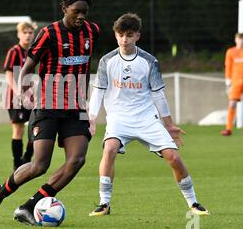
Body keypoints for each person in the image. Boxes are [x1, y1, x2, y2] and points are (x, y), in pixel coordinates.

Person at [0, 0, 99, 225]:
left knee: (77, 160)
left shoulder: (92, 31)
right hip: (47, 106)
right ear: (65, 8)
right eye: (77, 11)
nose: (81, 16)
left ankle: (30, 205)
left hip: (75, 109)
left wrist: (87, 106)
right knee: (39, 165)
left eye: (85, 12)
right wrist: (25, 89)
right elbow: (27, 67)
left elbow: (85, 70)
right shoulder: (49, 33)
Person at [88, 13, 209, 217]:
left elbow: (158, 94)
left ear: (137, 36)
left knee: (174, 158)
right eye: (120, 35)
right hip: (119, 118)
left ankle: (193, 202)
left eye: (129, 35)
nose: (124, 40)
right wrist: (91, 119)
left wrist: (169, 125)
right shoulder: (106, 61)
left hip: (146, 118)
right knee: (109, 149)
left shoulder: (149, 61)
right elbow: (98, 91)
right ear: (115, 35)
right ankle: (104, 203)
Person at [3, 21, 37, 170]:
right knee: (18, 130)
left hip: (30, 97)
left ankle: (27, 158)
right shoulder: (14, 52)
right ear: (19, 34)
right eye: (25, 33)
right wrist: (18, 93)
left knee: (35, 128)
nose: (28, 35)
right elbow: (9, 75)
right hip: (15, 98)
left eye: (30, 33)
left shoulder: (34, 51)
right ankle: (17, 165)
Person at [221, 33, 243, 137]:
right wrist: (228, 82)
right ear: (235, 40)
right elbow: (228, 67)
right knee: (232, 104)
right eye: (239, 39)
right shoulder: (230, 52)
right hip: (235, 82)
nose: (241, 41)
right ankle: (228, 129)